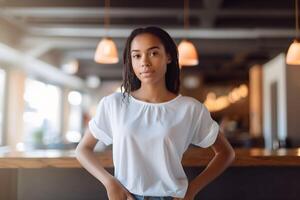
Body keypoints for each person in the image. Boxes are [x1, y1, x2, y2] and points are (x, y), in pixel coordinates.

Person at [75, 26, 235, 200]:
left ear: (168, 57)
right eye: (136, 55)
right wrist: (109, 182)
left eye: (153, 53)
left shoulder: (190, 109)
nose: (144, 62)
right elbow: (83, 149)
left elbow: (226, 153)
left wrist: (191, 191)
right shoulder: (113, 104)